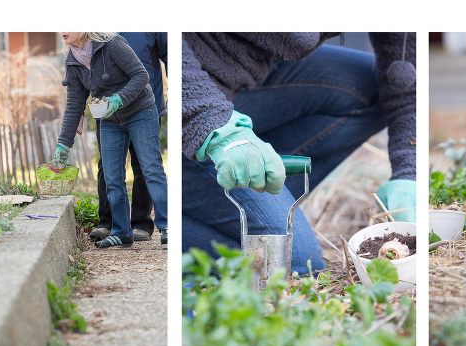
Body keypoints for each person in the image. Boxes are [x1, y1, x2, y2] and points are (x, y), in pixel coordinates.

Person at [182, 33, 416, 274]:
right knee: (295, 266)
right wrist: (209, 122)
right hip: (184, 99)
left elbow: (403, 66)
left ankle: (257, 201)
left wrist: (409, 171)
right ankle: (177, 209)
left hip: (248, 77)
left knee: (369, 88)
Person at [55, 32, 168, 248]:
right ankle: (121, 231)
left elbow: (141, 76)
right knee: (112, 177)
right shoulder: (73, 61)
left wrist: (119, 99)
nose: (63, 30)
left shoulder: (112, 44)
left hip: (140, 112)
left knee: (151, 169)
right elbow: (74, 105)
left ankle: (167, 226)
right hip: (109, 120)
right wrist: (63, 144)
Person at [88, 32, 168, 242]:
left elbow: (172, 57)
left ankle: (141, 222)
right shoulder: (94, 31)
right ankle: (109, 223)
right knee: (108, 167)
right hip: (108, 111)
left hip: (145, 107)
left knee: (146, 166)